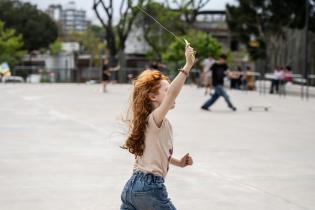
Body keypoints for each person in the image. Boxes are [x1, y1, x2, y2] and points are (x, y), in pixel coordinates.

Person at [120, 44, 195, 210]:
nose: (171, 94)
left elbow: (154, 155)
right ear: (153, 96)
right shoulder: (154, 119)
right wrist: (187, 65)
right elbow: (173, 94)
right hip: (149, 189)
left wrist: (179, 162)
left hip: (132, 188)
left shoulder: (151, 123)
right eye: (167, 90)